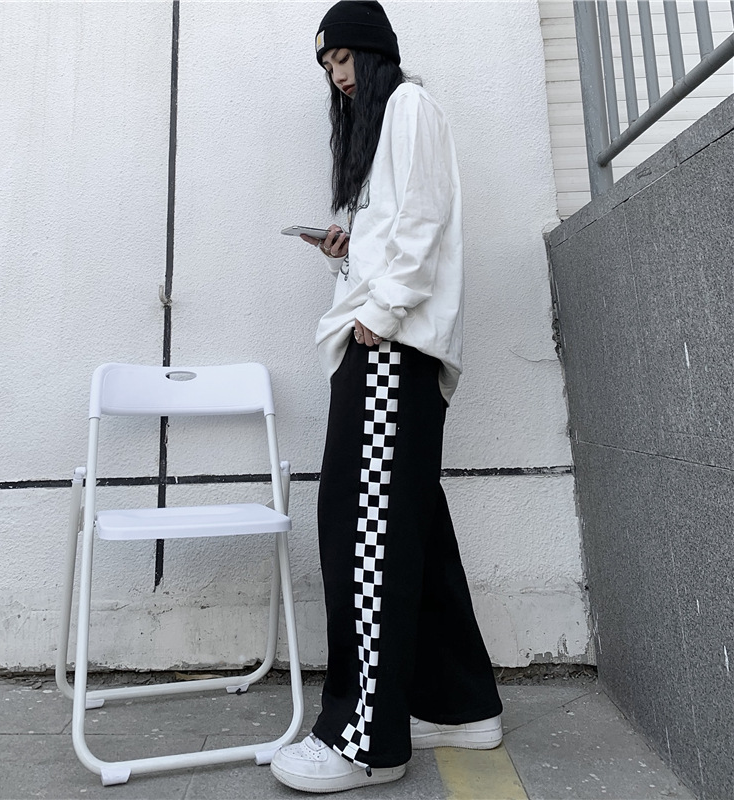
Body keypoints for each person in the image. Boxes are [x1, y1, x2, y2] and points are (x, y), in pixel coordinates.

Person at [270, 1, 503, 793]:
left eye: (343, 58)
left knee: (361, 528)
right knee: (409, 530)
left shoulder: (408, 105)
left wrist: (384, 310)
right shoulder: (382, 131)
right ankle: (458, 705)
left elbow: (425, 220)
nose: (337, 76)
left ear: (373, 53)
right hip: (384, 339)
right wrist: (347, 254)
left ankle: (364, 740)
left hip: (388, 349)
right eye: (327, 66)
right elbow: (398, 231)